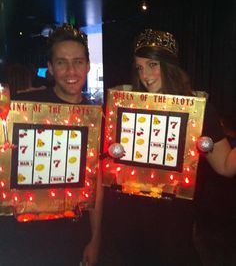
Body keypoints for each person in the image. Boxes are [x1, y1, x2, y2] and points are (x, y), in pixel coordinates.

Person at [104, 29, 236, 266]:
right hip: (128, 220)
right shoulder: (127, 104)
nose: (146, 75)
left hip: (173, 223)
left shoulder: (197, 110)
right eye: (140, 67)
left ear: (169, 66)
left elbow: (226, 165)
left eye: (153, 65)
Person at [7, 24, 103, 266]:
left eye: (78, 61)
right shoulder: (25, 108)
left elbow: (97, 184)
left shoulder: (97, 118)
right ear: (50, 68)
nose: (71, 70)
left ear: (88, 66)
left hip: (72, 233)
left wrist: (95, 237)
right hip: (23, 234)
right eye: (61, 62)